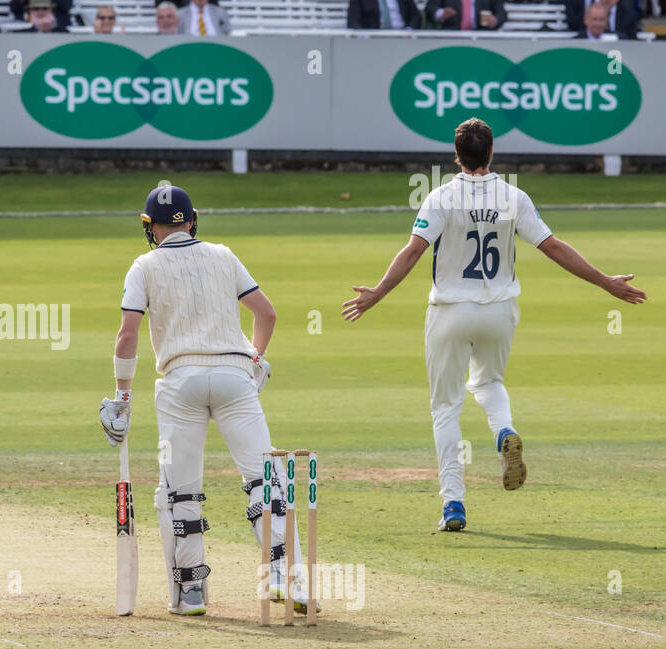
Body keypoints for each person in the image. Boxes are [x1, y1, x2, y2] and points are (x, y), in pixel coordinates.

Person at [341, 118, 646, 532]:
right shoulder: (513, 196)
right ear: (491, 152)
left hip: (450, 310)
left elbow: (413, 251)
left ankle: (453, 504)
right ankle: (504, 431)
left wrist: (377, 292)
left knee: (446, 407)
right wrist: (606, 282)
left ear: (457, 155)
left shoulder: (441, 197)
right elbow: (552, 247)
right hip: (500, 310)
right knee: (489, 384)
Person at [100, 184, 310, 617]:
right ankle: (285, 577)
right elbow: (266, 313)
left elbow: (127, 334)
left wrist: (121, 397)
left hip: (181, 383)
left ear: (149, 227)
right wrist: (255, 357)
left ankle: (192, 592)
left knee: (182, 491)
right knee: (263, 478)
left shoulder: (143, 265)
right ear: (192, 219)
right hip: (235, 378)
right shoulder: (223, 254)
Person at [566, 0, 640, 38]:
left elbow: (633, 42)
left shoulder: (627, 14)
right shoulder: (577, 41)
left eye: (601, 19)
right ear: (586, 20)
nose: (598, 24)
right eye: (594, 19)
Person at [423, 0, 506, 29]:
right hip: (451, 35)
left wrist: (495, 20)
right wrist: (440, 13)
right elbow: (430, 8)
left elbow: (502, 13)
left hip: (481, 35)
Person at [347, 0, 423, 28]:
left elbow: (416, 16)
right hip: (373, 40)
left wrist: (408, 32)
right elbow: (353, 22)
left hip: (402, 36)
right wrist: (366, 36)